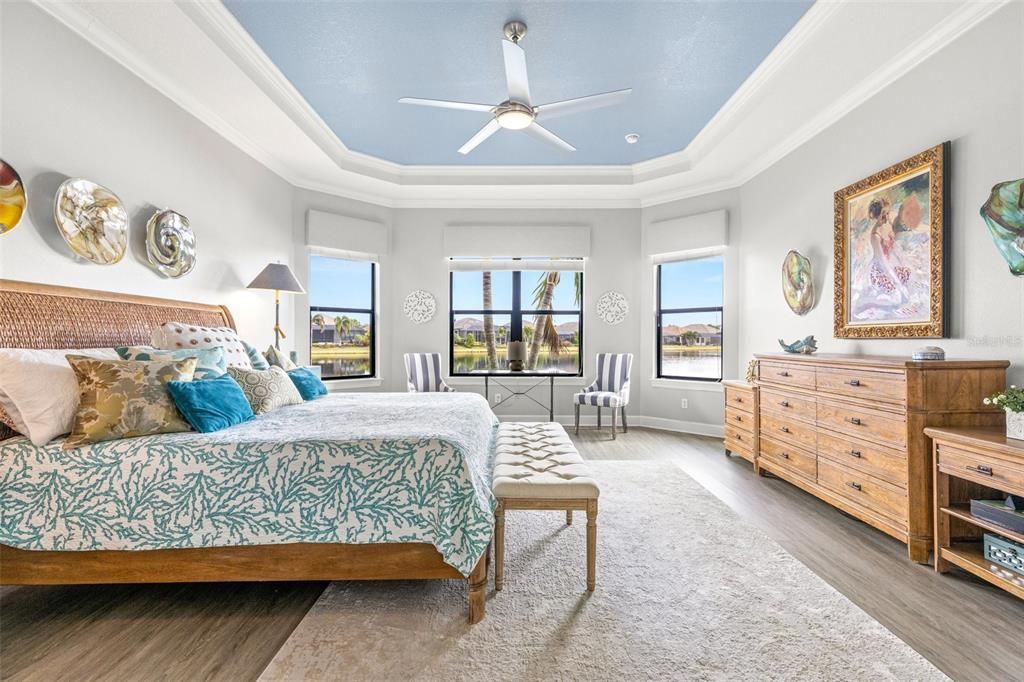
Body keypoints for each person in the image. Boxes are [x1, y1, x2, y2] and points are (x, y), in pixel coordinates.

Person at [866, 196, 912, 305]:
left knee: (907, 275)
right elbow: (882, 262)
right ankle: (876, 297)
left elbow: (893, 249)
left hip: (889, 266)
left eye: (887, 213)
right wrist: (896, 282)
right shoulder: (875, 235)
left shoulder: (888, 225)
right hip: (879, 271)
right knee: (896, 297)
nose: (886, 218)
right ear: (876, 216)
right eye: (883, 215)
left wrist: (902, 264)